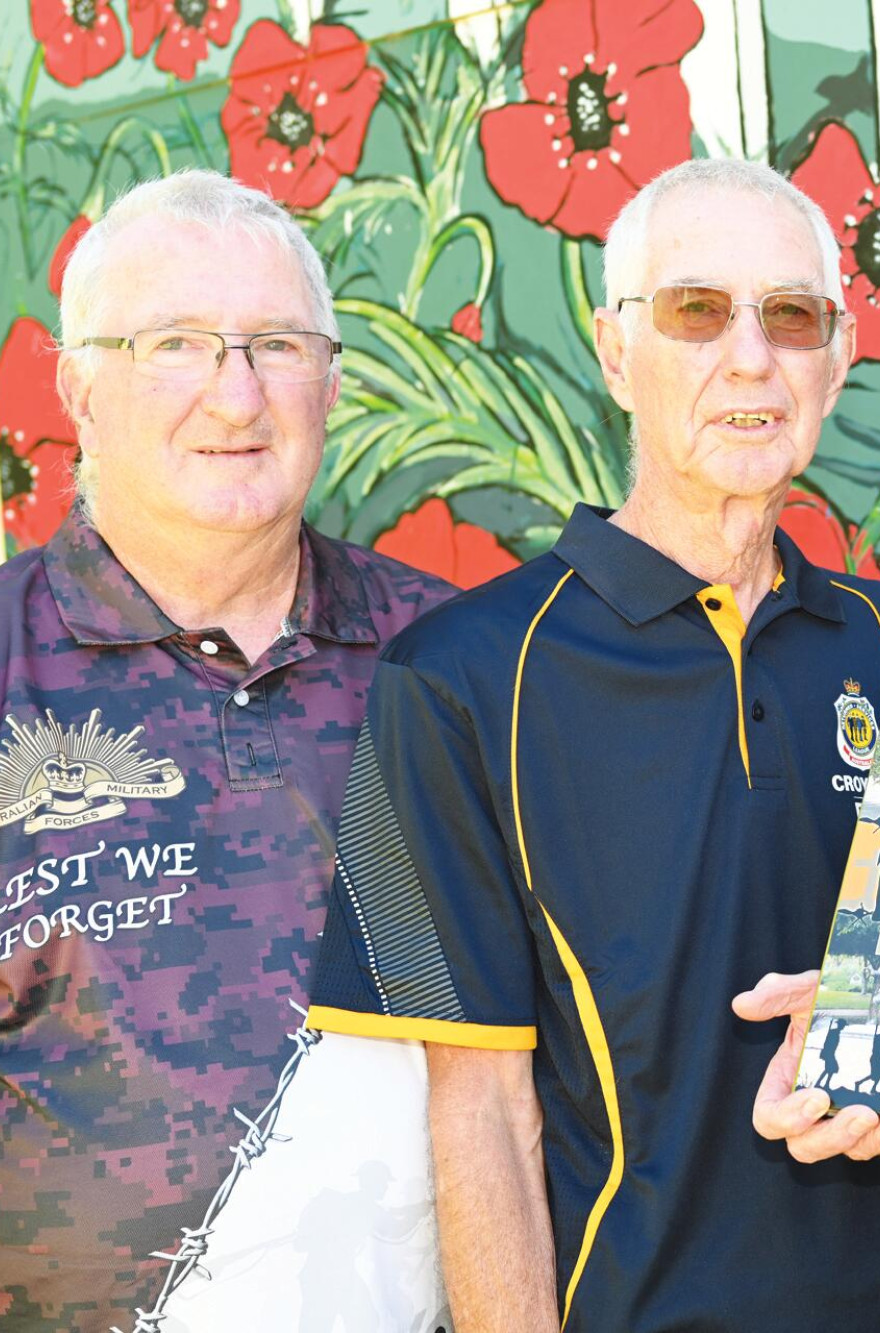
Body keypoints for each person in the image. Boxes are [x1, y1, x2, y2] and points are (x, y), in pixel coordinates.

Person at [305, 158, 880, 1333]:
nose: (749, 358)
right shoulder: (452, 678)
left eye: (791, 318)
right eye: (696, 311)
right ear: (613, 349)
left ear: (835, 362)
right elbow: (475, 1112)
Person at [0, 170, 454, 1332]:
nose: (235, 394)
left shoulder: (458, 661)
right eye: (177, 344)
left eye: (277, 345)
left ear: (334, 381)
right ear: (81, 388)